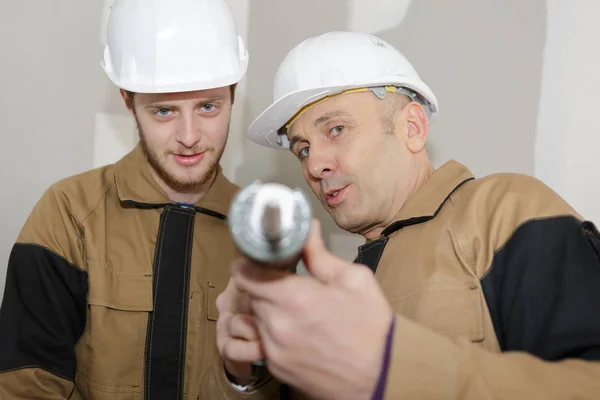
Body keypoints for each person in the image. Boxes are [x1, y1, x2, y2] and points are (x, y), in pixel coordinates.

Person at [217, 30, 600, 399]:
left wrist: (390, 368)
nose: (314, 164)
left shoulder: (504, 210)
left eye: (336, 129)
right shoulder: (344, 282)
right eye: (302, 149)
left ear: (412, 128)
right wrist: (247, 372)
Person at [0, 0, 278, 398]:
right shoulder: (68, 213)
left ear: (234, 95)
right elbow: (24, 384)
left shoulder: (263, 233)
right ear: (129, 102)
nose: (189, 136)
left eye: (208, 106)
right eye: (164, 111)